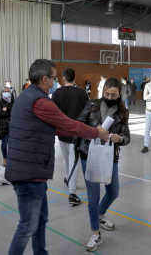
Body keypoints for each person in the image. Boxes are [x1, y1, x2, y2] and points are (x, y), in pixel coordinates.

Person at [5, 59, 109, 255]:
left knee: (41, 219)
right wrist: (97, 132)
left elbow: (45, 127)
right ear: (45, 79)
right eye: (53, 78)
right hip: (29, 172)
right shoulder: (40, 101)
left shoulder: (26, 96)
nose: (55, 82)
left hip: (31, 169)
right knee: (28, 224)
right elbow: (70, 125)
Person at [76, 77, 130, 252]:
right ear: (102, 92)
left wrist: (119, 138)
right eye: (106, 94)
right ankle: (95, 233)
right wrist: (94, 132)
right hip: (89, 155)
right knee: (93, 197)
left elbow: (127, 137)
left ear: (119, 94)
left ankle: (100, 214)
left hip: (109, 158)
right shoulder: (92, 105)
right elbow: (78, 124)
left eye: (113, 95)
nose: (109, 97)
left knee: (113, 192)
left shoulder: (123, 112)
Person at [52, 68, 89, 205]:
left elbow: (53, 113)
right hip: (76, 133)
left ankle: (68, 179)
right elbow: (88, 112)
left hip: (62, 132)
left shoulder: (57, 93)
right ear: (74, 78)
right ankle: (72, 193)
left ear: (64, 78)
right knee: (74, 162)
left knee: (68, 159)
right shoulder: (82, 92)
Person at [0, 87, 14, 167]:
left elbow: (14, 113)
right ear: (1, 93)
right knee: (4, 144)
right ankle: (5, 158)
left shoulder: (13, 102)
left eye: (8, 91)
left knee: (13, 144)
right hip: (3, 126)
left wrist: (6, 110)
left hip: (13, 126)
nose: (7, 93)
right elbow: (0, 114)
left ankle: (12, 158)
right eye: (5, 91)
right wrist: (8, 112)